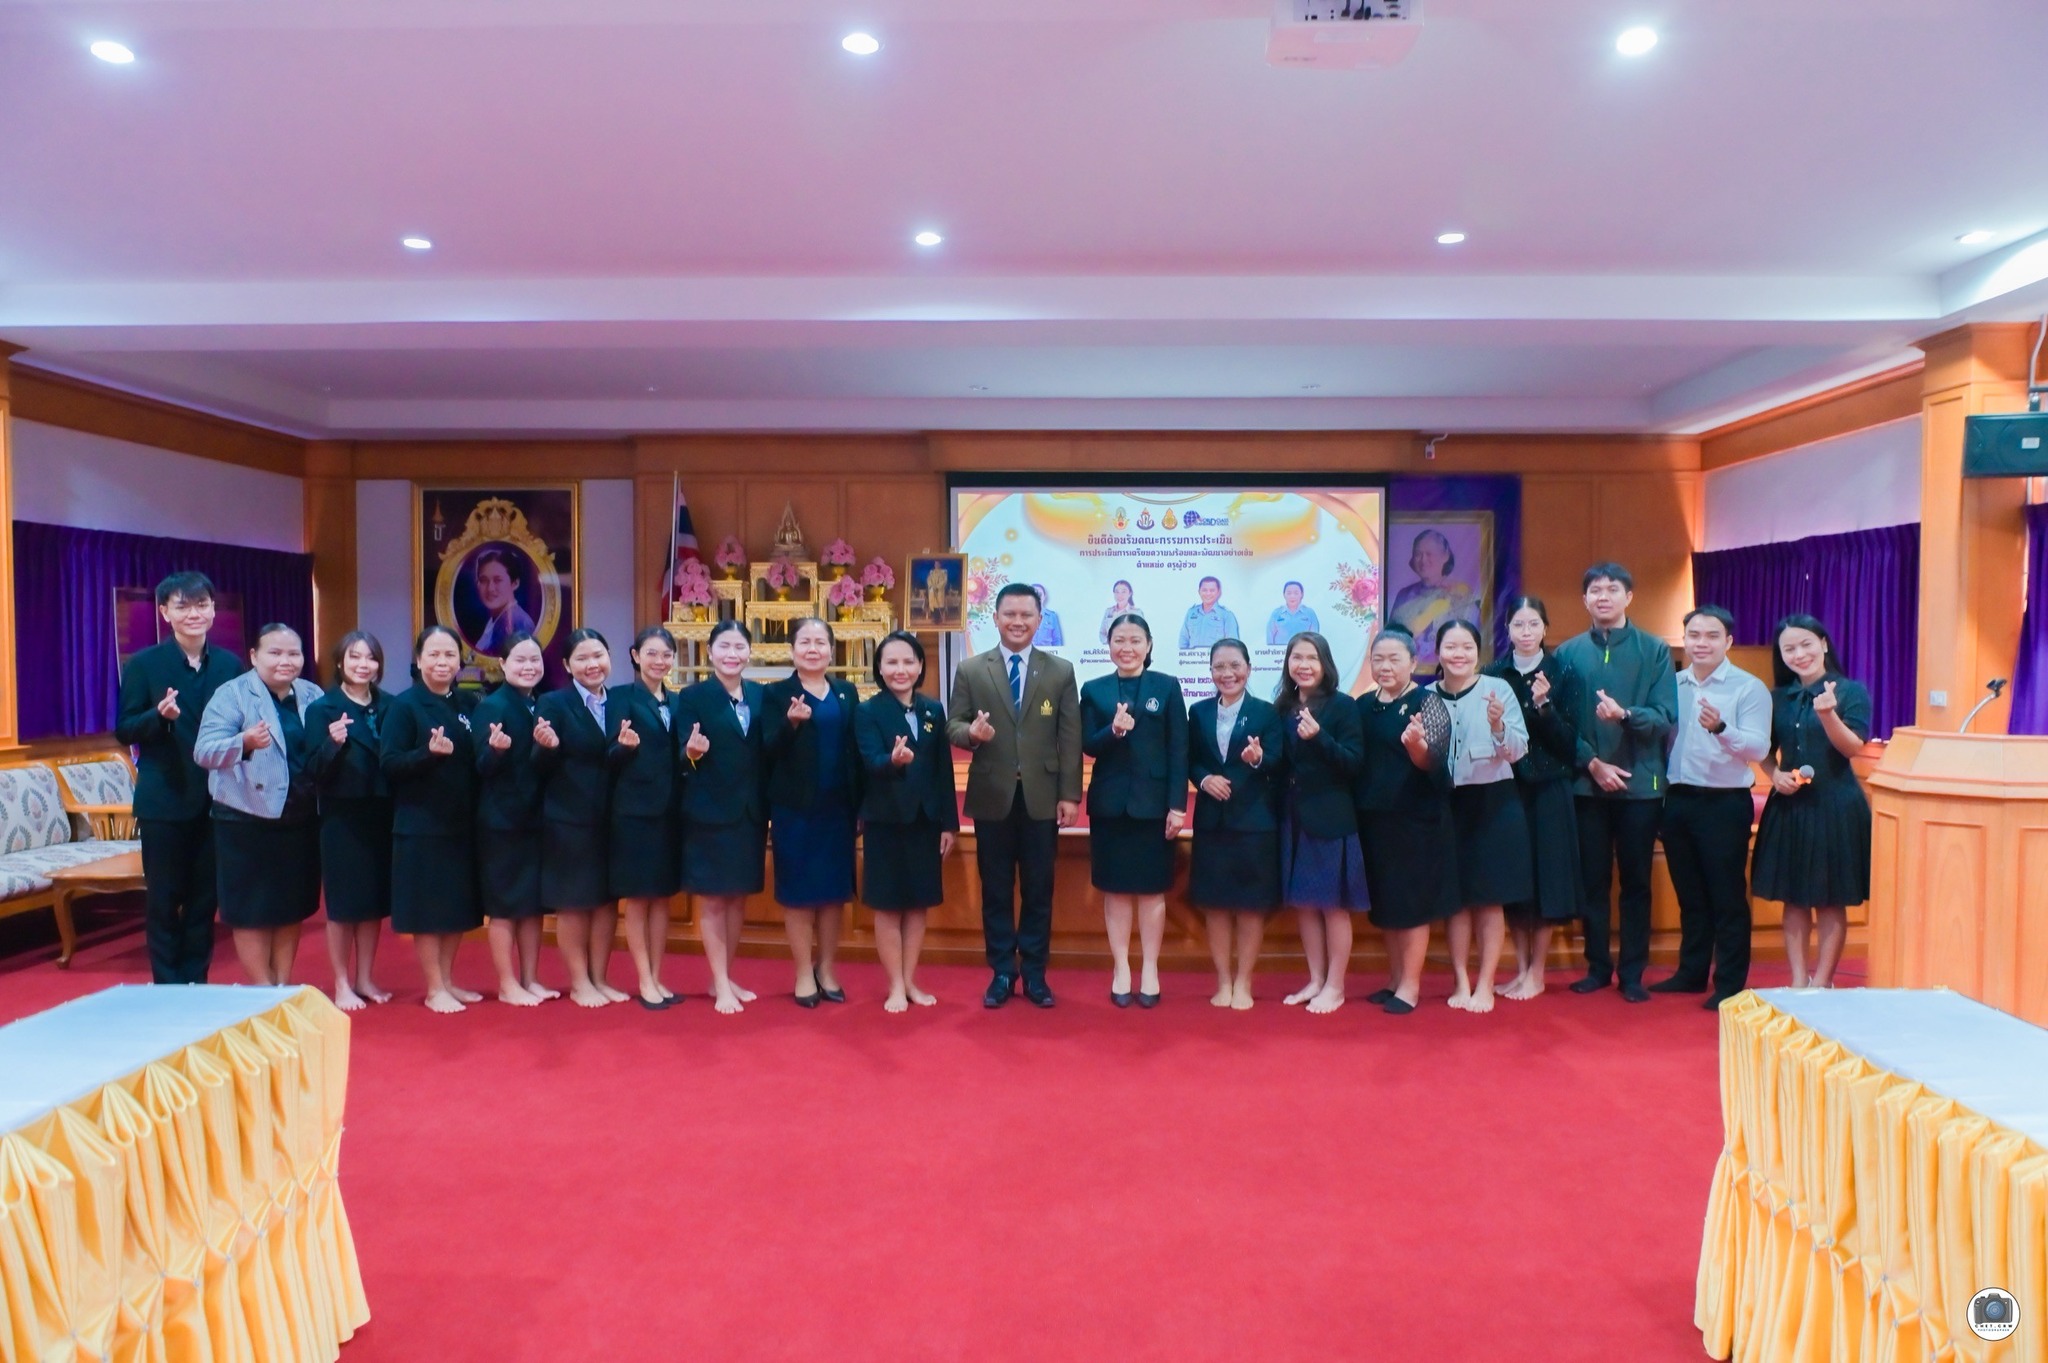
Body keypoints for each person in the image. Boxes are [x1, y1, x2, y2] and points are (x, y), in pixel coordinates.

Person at [946, 582, 1082, 1009]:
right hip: (993, 795)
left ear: (1039, 620)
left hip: (1043, 797)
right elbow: (953, 725)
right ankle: (1003, 971)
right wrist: (972, 734)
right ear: (996, 618)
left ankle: (1036, 973)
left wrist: (1071, 795)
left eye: (1026, 615)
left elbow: (1070, 737)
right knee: (996, 888)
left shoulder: (1060, 671)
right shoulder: (972, 669)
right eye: (1010, 614)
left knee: (1039, 889)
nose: (1018, 622)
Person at [1554, 562, 1676, 1004]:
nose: (1603, 597)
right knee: (1593, 880)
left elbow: (1665, 717)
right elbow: (1560, 724)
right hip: (1588, 785)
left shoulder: (1654, 650)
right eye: (1595, 590)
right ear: (1585, 600)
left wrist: (1625, 715)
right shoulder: (1567, 653)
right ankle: (1597, 967)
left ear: (1629, 597)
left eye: (1612, 589)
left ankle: (1632, 973)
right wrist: (1593, 764)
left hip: (1641, 786)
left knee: (1637, 882)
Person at [115, 571, 244, 983]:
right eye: (182, 606)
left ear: (213, 610)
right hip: (164, 801)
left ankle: (196, 981)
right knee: (164, 899)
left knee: (205, 899)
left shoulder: (230, 665)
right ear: (164, 612)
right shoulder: (144, 664)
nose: (194, 614)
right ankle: (167, 985)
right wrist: (158, 716)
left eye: (201, 605)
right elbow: (125, 729)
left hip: (217, 799)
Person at [192, 624, 326, 986]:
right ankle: (261, 989)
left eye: (294, 653)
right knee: (251, 911)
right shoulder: (233, 694)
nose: (286, 661)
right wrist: (244, 742)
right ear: (254, 656)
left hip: (300, 818)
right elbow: (203, 752)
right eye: (275, 653)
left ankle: (281, 985)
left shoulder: (312, 694)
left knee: (290, 907)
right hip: (245, 820)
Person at [1655, 606, 1771, 1008]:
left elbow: (1759, 748)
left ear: (1728, 641)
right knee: (1690, 895)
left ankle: (1729, 983)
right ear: (1684, 640)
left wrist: (1722, 728)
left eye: (1711, 636)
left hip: (1724, 803)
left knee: (1726, 897)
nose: (1701, 643)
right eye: (1694, 635)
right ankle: (1691, 973)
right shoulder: (1672, 685)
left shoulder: (1748, 688)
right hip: (1678, 799)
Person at [1751, 614, 1872, 989]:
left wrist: (1827, 714)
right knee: (1794, 898)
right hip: (1791, 807)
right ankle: (1799, 982)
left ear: (1823, 643)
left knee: (1831, 898)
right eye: (1789, 648)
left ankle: (1822, 983)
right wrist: (1776, 775)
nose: (1799, 654)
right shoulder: (1777, 698)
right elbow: (1763, 751)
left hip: (1836, 806)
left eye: (1806, 644)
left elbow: (1852, 747)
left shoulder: (1851, 691)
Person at [1080, 613, 1188, 1007]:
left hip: (1154, 806)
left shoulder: (1167, 686)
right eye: (1119, 640)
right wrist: (1113, 731)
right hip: (1110, 805)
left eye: (1135, 640)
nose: (1127, 648)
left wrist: (1178, 806)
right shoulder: (1094, 689)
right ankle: (1122, 967)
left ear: (1149, 644)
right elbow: (1087, 744)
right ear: (1108, 645)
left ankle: (1151, 969)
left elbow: (1179, 749)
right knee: (1116, 891)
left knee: (1151, 891)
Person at [1484, 597, 1583, 1002]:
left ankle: (1537, 972)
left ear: (1545, 628)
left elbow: (1570, 744)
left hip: (1549, 788)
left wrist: (1544, 708)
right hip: (1506, 789)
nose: (1525, 633)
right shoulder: (1493, 673)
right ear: (1507, 630)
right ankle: (1521, 969)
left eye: (1533, 624)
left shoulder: (1564, 673)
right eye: (1518, 625)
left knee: (1547, 881)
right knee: (1515, 881)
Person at [381, 625, 483, 1013]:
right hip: (420, 824)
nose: (442, 662)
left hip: (461, 821)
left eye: (450, 655)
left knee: (456, 908)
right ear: (419, 659)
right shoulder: (404, 706)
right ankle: (434, 986)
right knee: (428, 910)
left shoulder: (469, 703)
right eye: (434, 654)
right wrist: (428, 754)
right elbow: (390, 764)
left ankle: (449, 981)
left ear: (460, 661)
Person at [1354, 628, 1457, 1014]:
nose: (1385, 666)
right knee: (1387, 905)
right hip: (1374, 820)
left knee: (1411, 906)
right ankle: (1395, 979)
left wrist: (1418, 750)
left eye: (1394, 658)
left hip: (1416, 821)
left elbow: (1438, 766)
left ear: (1413, 662)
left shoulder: (1428, 702)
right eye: (1378, 658)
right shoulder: (1364, 705)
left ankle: (1411, 986)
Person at [855, 632, 958, 1012]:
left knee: (917, 905)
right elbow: (870, 761)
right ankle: (895, 985)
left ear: (920, 666)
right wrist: (893, 761)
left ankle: (910, 980)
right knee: (888, 906)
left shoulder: (933, 709)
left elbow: (943, 770)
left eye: (908, 662)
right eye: (892, 662)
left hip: (926, 821)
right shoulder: (867, 711)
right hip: (885, 820)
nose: (901, 669)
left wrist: (949, 824)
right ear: (880, 668)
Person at [1432, 619, 1531, 1013]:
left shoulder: (1498, 689)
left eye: (1467, 647)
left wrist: (1497, 725)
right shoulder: (1426, 696)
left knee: (1489, 900)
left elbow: (1518, 751)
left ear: (1478, 652)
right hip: (1446, 804)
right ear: (1438, 652)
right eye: (1451, 647)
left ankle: (1486, 983)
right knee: (1455, 900)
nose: (1459, 654)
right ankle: (1460, 980)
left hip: (1493, 804)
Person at [763, 618, 863, 1006]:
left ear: (831, 650)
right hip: (796, 810)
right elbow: (767, 750)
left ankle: (827, 968)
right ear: (792, 650)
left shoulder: (846, 692)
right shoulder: (776, 694)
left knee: (834, 894)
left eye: (820, 642)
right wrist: (790, 724)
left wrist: (860, 804)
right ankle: (804, 971)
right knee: (799, 894)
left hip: (838, 810)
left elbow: (855, 750)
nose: (812, 649)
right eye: (804, 642)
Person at [534, 628, 633, 1008]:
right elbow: (538, 765)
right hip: (569, 819)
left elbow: (613, 758)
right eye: (582, 658)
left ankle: (600, 977)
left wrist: (626, 749)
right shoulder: (554, 703)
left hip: (614, 816)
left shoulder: (621, 701)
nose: (592, 664)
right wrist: (546, 748)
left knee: (606, 901)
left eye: (598, 655)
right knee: (574, 902)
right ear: (566, 665)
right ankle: (579, 982)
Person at [675, 620, 770, 1014]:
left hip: (750, 813)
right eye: (724, 647)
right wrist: (692, 753)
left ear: (750, 652)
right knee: (714, 900)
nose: (732, 654)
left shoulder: (762, 695)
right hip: (710, 812)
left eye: (739, 647)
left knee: (737, 898)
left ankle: (725, 978)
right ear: (710, 652)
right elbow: (681, 754)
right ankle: (718, 981)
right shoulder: (692, 697)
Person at [1187, 638, 1284, 1010]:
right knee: (1214, 906)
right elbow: (1191, 759)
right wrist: (1204, 778)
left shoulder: (1266, 713)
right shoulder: (1198, 711)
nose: (1227, 673)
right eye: (1219, 667)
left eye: (1234, 666)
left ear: (1249, 668)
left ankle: (1244, 982)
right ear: (1210, 671)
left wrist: (1258, 759)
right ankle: (1223, 981)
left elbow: (1278, 761)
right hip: (1212, 823)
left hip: (1254, 822)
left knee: (1249, 907)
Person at [1274, 631, 1366, 1014]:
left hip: (1331, 817)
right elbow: (1281, 764)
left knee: (1333, 906)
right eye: (1297, 657)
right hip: (1293, 817)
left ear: (1325, 663)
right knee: (1305, 904)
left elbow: (1354, 763)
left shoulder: (1343, 706)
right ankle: (1315, 978)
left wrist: (1319, 738)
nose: (1304, 665)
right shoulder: (1282, 707)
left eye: (1312, 658)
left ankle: (1336, 985)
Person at [304, 631, 394, 1010]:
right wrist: (333, 744)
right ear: (340, 662)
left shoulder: (390, 705)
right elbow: (312, 770)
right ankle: (341, 983)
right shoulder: (322, 709)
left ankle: (365, 978)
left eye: (370, 657)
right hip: (341, 817)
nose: (363, 664)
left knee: (372, 903)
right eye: (354, 657)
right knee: (343, 905)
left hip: (381, 813)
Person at [473, 634, 556, 1006]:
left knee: (532, 906)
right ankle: (507, 984)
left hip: (535, 818)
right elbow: (480, 767)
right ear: (503, 664)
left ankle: (531, 978)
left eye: (534, 660)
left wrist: (548, 748)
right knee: (505, 907)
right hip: (501, 821)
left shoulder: (539, 703)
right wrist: (495, 751)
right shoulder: (492, 706)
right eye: (520, 660)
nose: (529, 667)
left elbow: (540, 765)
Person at [611, 627, 684, 1009]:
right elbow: (607, 755)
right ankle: (643, 979)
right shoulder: (620, 698)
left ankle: (657, 975)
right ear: (636, 656)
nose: (659, 661)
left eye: (666, 654)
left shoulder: (678, 701)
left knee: (662, 898)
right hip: (635, 813)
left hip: (671, 812)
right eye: (651, 653)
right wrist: (622, 748)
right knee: (640, 899)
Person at [1389, 528, 1479, 665]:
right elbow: (1390, 640)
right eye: (1418, 554)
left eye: (1429, 554)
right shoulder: (1404, 595)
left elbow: (1472, 642)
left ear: (1445, 556)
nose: (1423, 560)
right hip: (1408, 671)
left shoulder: (1462, 596)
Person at [472, 547, 535, 654]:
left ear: (515, 583)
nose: (490, 588)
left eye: (498, 580)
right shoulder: (494, 620)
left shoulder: (519, 623)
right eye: (483, 580)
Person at [1178, 576, 1241, 651]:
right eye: (1204, 590)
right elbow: (1183, 641)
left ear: (1218, 592)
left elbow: (1233, 646)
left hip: (1216, 658)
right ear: (1199, 592)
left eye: (1212, 590)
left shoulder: (1227, 615)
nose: (1208, 593)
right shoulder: (1191, 613)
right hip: (1193, 658)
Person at [1264, 581, 1320, 645]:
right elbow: (1270, 636)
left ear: (1302, 594)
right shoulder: (1276, 613)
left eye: (1296, 593)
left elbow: (1315, 638)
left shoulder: (1310, 613)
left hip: (1303, 650)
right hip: (1280, 650)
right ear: (1284, 595)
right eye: (1289, 593)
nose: (1292, 596)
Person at [1098, 579, 1143, 644]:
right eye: (1117, 592)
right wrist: (1111, 642)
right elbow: (1102, 633)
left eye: (1123, 592)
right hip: (1113, 649)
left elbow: (1142, 635)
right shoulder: (1108, 612)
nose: (1120, 595)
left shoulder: (1137, 612)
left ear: (1130, 593)